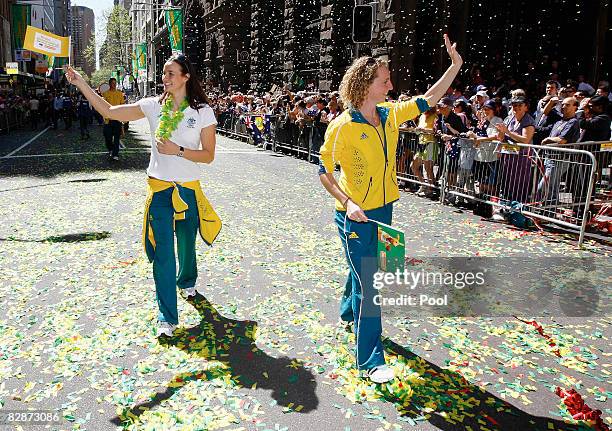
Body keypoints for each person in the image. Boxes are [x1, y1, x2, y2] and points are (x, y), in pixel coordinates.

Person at [318, 33, 462, 384]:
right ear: (367, 84)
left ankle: (348, 312)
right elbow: (324, 170)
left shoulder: (391, 114)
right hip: (354, 215)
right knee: (373, 283)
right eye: (386, 80)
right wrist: (348, 202)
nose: (391, 84)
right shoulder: (342, 126)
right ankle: (370, 361)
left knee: (372, 273)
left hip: (386, 210)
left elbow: (428, 99)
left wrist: (455, 66)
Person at [64, 54, 219, 338]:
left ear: (186, 77)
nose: (165, 78)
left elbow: (208, 155)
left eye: (171, 73)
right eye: (163, 73)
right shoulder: (151, 106)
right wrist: (82, 84)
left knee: (186, 244)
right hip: (159, 189)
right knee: (163, 254)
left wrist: (179, 151)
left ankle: (187, 281)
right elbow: (110, 111)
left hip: (188, 189)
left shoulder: (202, 112)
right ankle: (167, 318)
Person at [102, 78, 125, 161]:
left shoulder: (119, 94)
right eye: (112, 83)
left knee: (116, 138)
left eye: (115, 83)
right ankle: (111, 149)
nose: (114, 85)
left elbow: (122, 106)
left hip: (117, 120)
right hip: (108, 119)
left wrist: (123, 119)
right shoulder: (105, 94)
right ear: (109, 84)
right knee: (107, 137)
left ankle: (115, 154)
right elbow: (102, 106)